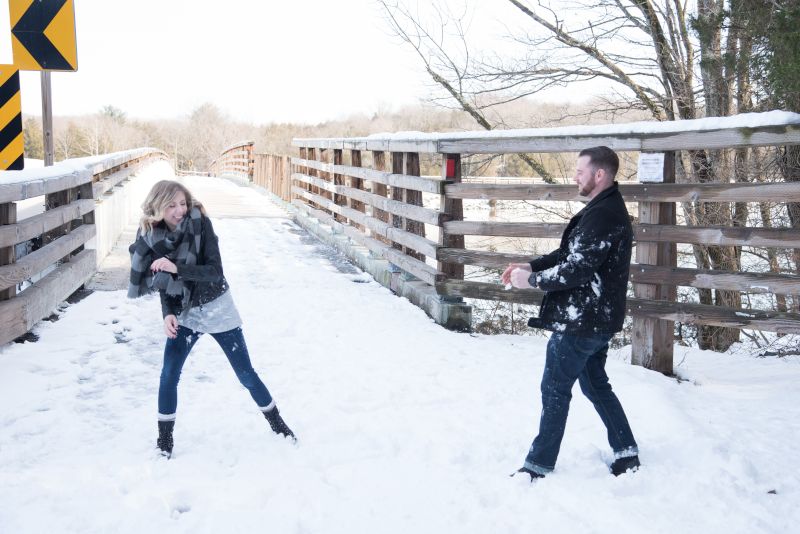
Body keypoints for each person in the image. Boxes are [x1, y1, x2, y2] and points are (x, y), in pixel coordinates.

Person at [128, 180, 295, 458]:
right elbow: (162, 280)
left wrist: (176, 268)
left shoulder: (200, 224)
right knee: (168, 375)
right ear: (157, 207)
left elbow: (215, 271)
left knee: (245, 374)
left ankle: (278, 424)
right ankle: (164, 442)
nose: (180, 210)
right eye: (171, 205)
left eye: (182, 203)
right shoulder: (152, 235)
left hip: (217, 305)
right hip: (185, 311)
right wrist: (168, 312)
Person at [501, 146, 639, 480]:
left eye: (580, 171)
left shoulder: (604, 214)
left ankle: (538, 464)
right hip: (595, 318)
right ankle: (626, 452)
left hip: (583, 321)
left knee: (554, 387)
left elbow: (577, 269)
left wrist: (531, 280)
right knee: (595, 386)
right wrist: (531, 264)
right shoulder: (602, 209)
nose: (575, 177)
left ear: (599, 174)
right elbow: (568, 252)